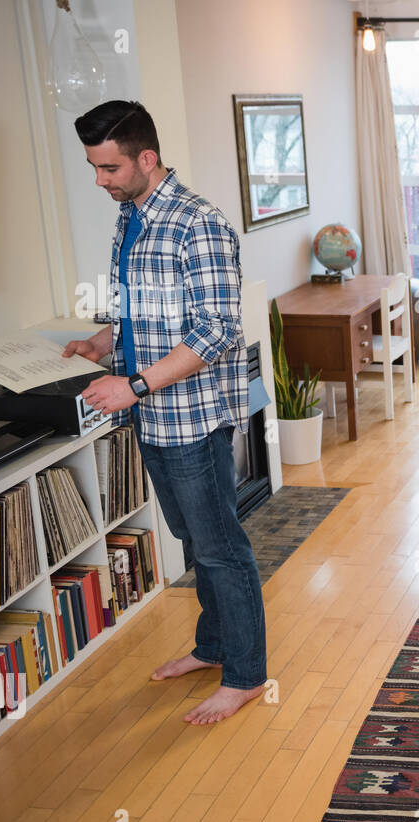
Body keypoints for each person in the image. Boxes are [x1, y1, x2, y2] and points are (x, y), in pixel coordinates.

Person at [61, 100, 267, 725]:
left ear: (146, 158)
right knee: (191, 541)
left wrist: (135, 385)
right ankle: (212, 648)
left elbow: (214, 331)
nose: (101, 180)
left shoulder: (197, 223)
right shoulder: (131, 217)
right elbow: (142, 309)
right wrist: (104, 344)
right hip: (153, 416)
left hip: (191, 417)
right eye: (95, 168)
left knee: (220, 546)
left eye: (110, 167)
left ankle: (248, 675)